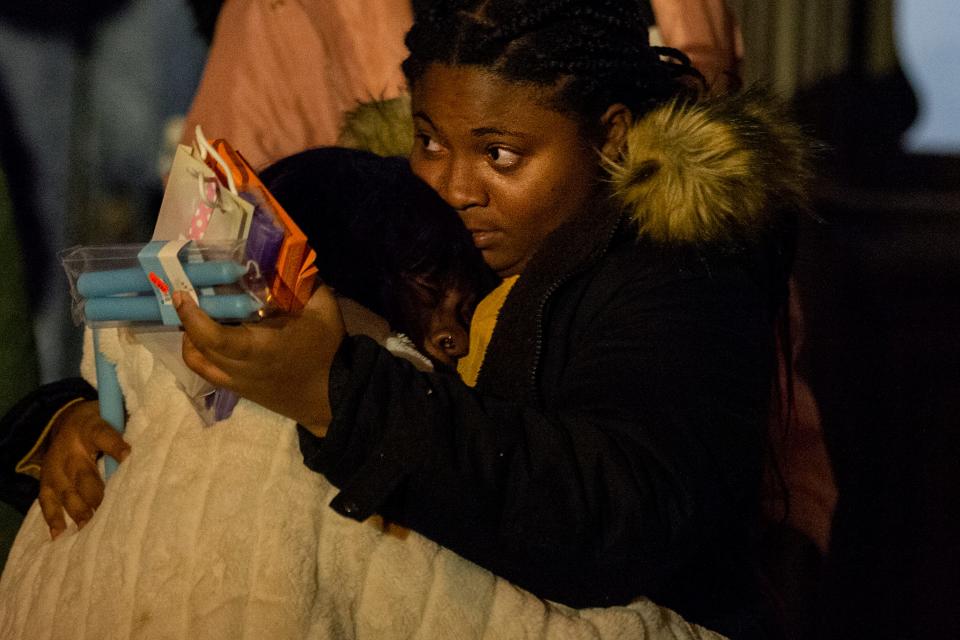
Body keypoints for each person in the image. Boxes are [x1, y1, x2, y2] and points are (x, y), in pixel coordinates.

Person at [167, 2, 811, 637]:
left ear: (611, 136)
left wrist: (338, 393)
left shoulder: (679, 268)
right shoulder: (402, 227)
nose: (453, 187)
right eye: (429, 141)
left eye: (500, 155)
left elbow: (617, 510)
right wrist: (76, 412)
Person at [0, 147, 724, 640]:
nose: (455, 339)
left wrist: (53, 420)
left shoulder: (126, 387)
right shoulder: (353, 405)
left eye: (467, 308)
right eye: (434, 289)